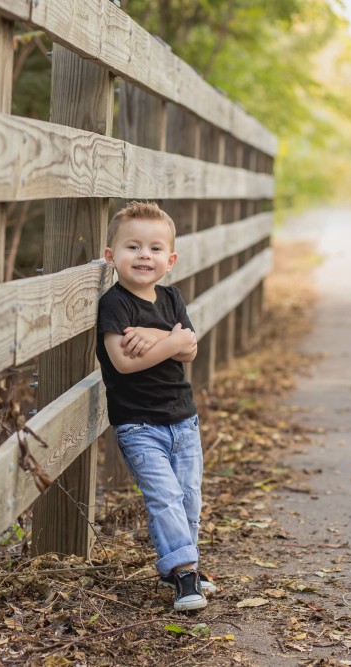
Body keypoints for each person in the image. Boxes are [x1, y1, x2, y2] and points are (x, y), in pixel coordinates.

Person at [95, 201, 216, 612]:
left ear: (170, 259)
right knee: (163, 497)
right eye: (132, 247)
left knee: (188, 498)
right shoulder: (115, 305)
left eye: (154, 248)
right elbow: (125, 363)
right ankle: (183, 573)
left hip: (184, 420)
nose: (144, 255)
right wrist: (171, 341)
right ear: (111, 256)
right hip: (139, 425)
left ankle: (188, 565)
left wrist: (154, 336)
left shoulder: (171, 297)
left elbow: (190, 351)